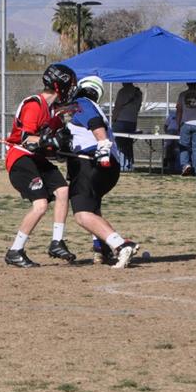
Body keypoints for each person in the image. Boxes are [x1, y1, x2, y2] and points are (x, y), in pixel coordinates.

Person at [2, 64, 77, 268]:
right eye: (69, 85)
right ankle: (15, 251)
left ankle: (57, 242)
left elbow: (46, 144)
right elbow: (27, 139)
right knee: (41, 205)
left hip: (36, 159)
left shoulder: (52, 111)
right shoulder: (34, 105)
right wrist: (50, 141)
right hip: (20, 158)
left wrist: (58, 147)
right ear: (59, 85)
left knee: (63, 190)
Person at [66, 76, 140, 268]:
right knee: (92, 210)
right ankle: (102, 248)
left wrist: (102, 144)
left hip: (91, 163)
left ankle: (122, 245)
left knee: (82, 214)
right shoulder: (90, 106)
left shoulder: (82, 102)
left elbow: (95, 122)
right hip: (107, 167)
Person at [175, 82, 196, 177]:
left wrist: (177, 124)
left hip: (185, 123)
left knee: (184, 146)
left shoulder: (182, 95)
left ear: (187, 83)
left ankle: (186, 165)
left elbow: (179, 111)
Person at [111, 82, 142, 172]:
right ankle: (129, 165)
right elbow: (138, 107)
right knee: (128, 144)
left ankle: (121, 165)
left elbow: (118, 106)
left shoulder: (122, 91)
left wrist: (113, 118)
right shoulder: (138, 92)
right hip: (132, 120)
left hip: (121, 120)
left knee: (119, 144)